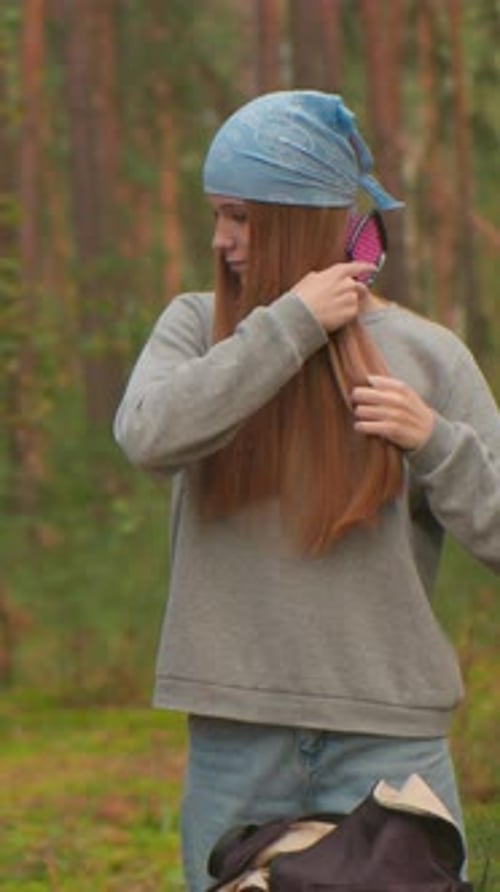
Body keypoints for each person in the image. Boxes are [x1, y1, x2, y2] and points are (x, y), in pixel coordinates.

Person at [114, 91, 500, 892]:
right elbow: (148, 436)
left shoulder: (428, 356)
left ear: (299, 218)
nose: (222, 241)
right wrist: (291, 322)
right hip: (236, 738)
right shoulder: (196, 330)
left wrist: (433, 442)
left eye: (242, 218)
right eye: (219, 216)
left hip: (389, 743)